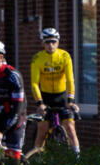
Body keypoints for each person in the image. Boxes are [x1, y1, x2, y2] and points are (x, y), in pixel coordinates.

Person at [30, 27, 81, 156]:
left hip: (62, 96)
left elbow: (70, 80)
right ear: (42, 43)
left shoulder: (64, 56)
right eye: (47, 42)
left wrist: (70, 100)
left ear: (58, 42)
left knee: (70, 127)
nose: (50, 45)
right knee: (42, 129)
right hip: (46, 97)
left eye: (53, 41)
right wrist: (39, 103)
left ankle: (77, 157)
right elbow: (34, 83)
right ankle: (37, 159)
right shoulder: (37, 58)